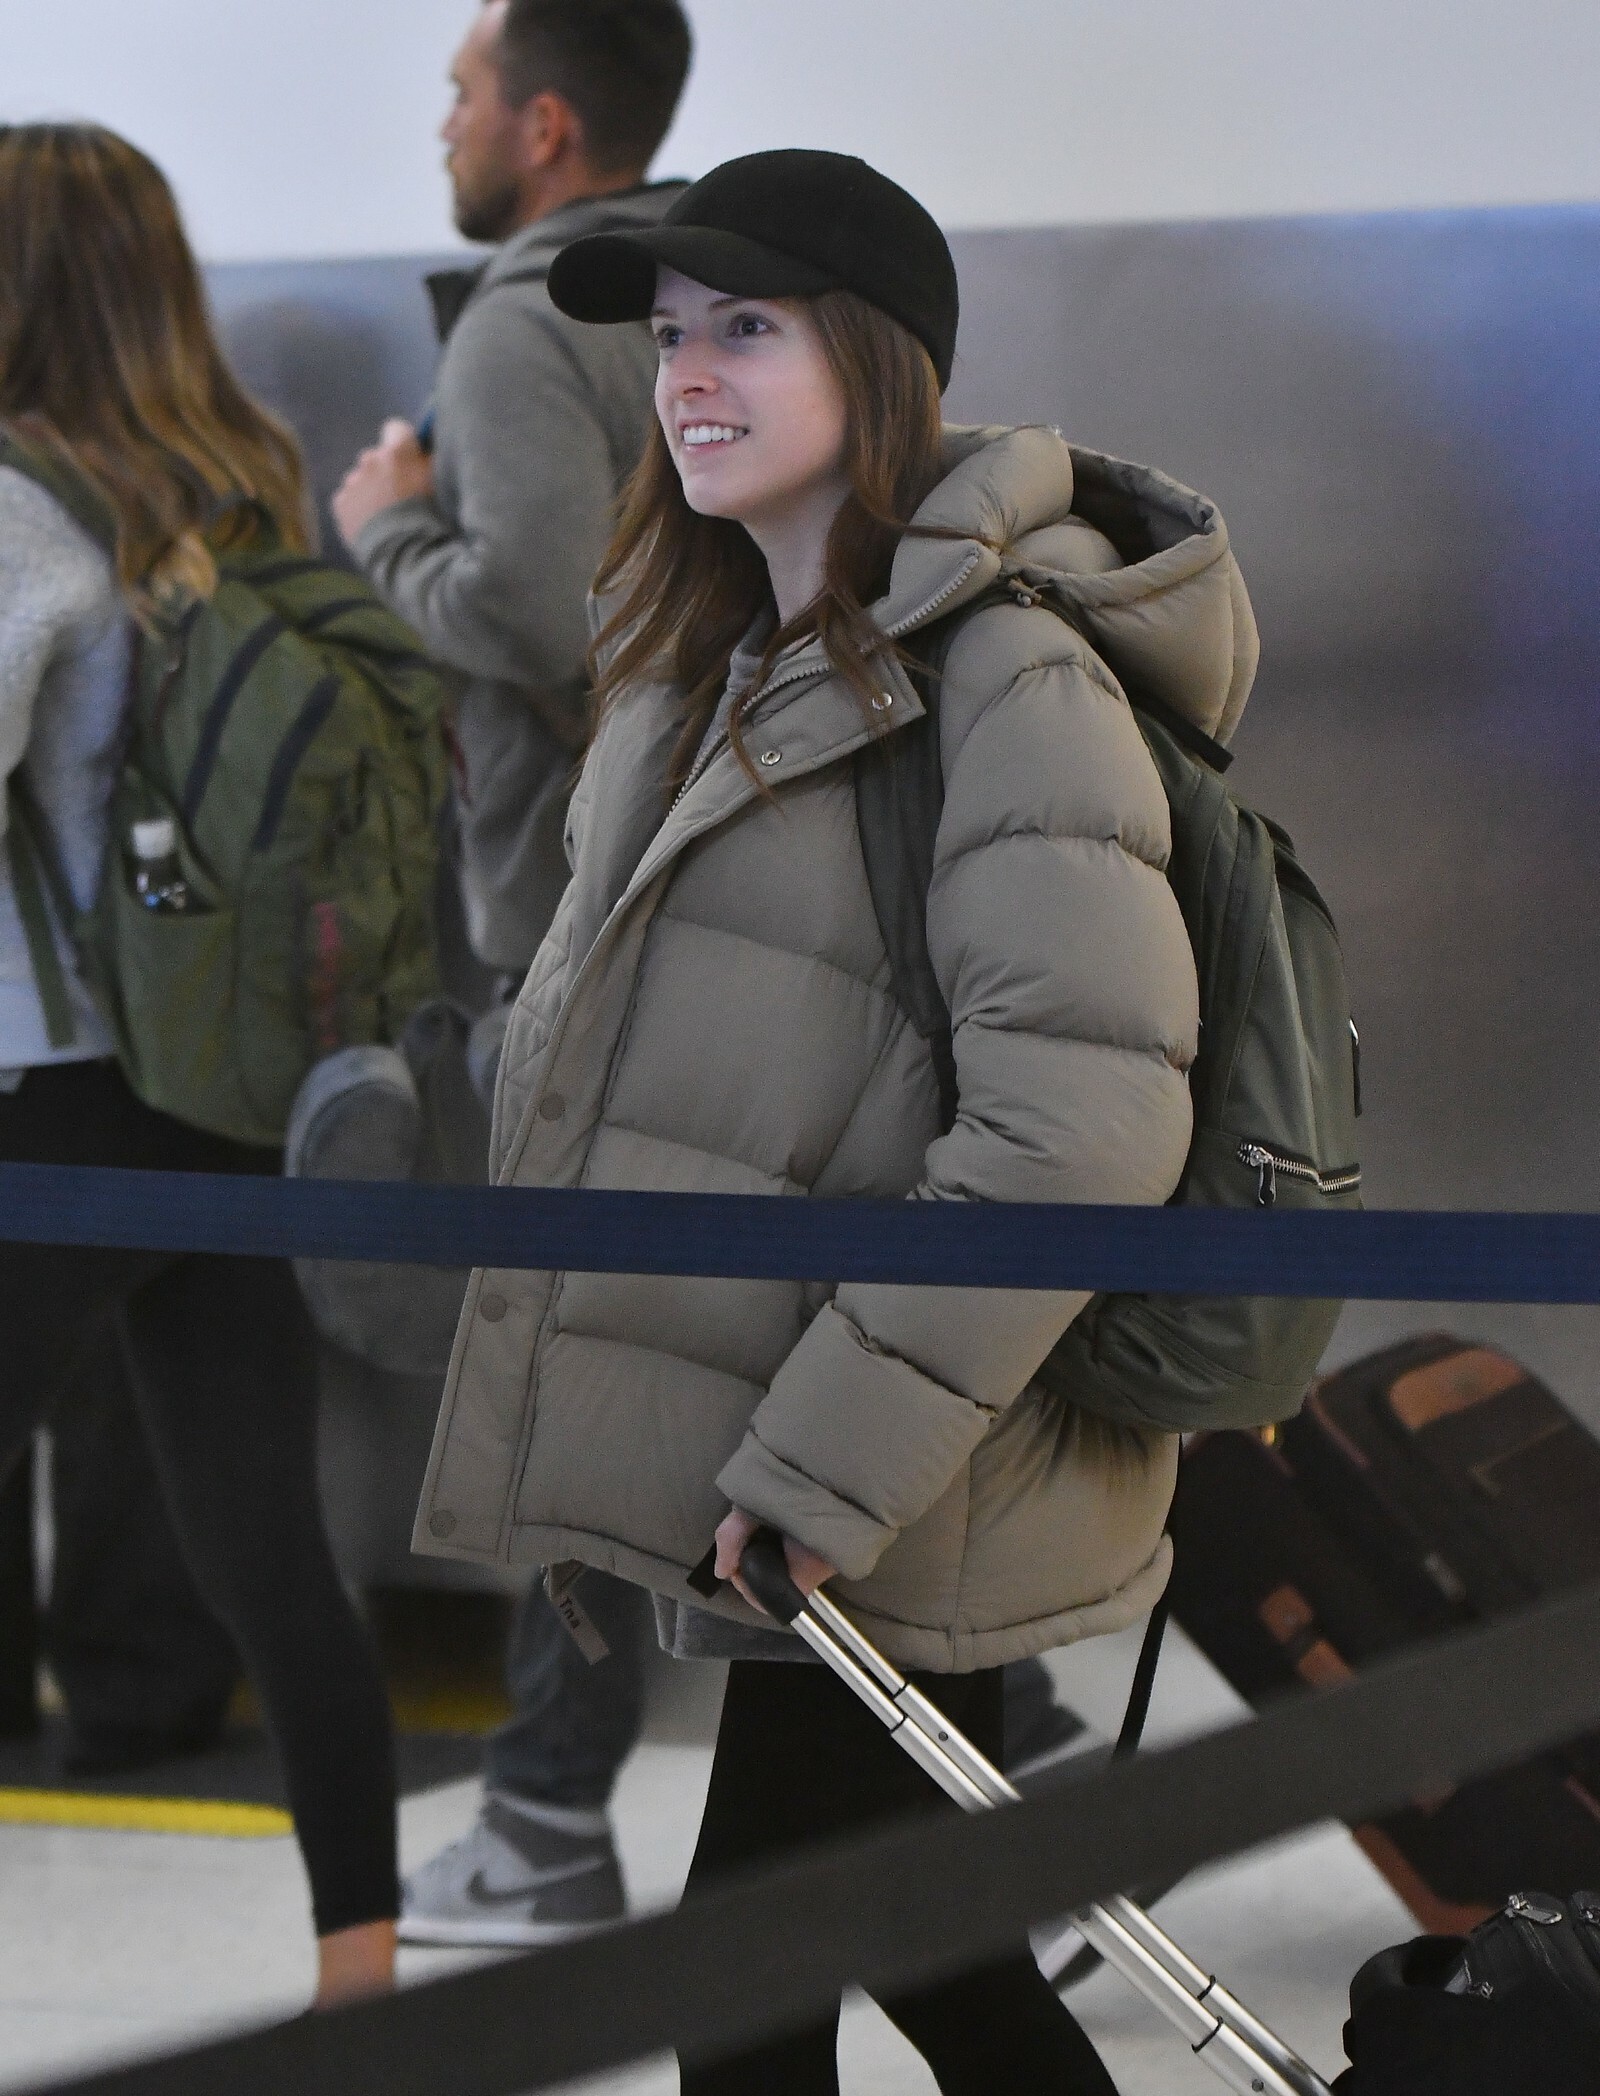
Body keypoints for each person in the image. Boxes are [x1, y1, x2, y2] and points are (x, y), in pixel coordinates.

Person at [417, 145, 1257, 2092]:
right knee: (927, 1966)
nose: (688, 376)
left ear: (875, 362)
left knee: (751, 1989)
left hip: (895, 1473)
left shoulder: (1006, 676)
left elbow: (1076, 1125)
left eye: (747, 328)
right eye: (670, 336)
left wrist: (816, 1468)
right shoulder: (702, 668)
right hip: (803, 1459)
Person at [0, 123, 398, 2007]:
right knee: (268, 1553)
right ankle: (361, 1978)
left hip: (59, 1102)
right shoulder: (241, 481)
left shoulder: (16, 507)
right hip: (231, 1088)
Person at [329, 0, 696, 1951]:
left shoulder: (524, 317)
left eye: (464, 89)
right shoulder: (725, 290)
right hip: (717, 902)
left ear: (546, 125)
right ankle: (1024, 1760)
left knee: (577, 1378)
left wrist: (388, 529)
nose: (443, 120)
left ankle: (546, 1821)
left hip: (574, 922)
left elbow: (539, 606)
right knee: (695, 1365)